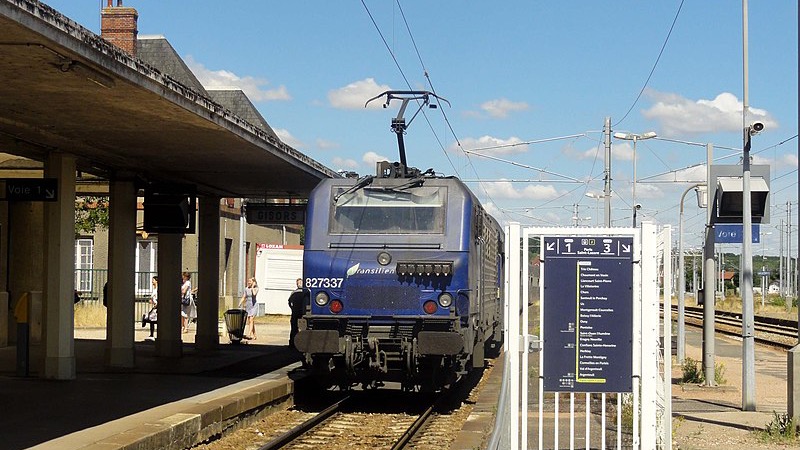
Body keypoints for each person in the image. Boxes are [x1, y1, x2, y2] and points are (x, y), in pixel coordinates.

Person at [287, 278, 307, 350]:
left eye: (300, 282)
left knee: (295, 329)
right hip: (300, 312)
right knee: (295, 328)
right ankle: (294, 343)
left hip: (298, 312)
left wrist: (292, 308)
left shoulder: (295, 293)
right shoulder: (306, 292)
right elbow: (289, 302)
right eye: (298, 283)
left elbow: (289, 302)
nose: (299, 284)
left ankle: (293, 343)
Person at [141, 276, 158, 341]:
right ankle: (151, 334)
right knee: (152, 320)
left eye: (153, 280)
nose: (152, 281)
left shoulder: (158, 289)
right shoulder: (154, 289)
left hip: (156, 307)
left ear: (156, 281)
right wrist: (151, 300)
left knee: (152, 320)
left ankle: (145, 320)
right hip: (154, 306)